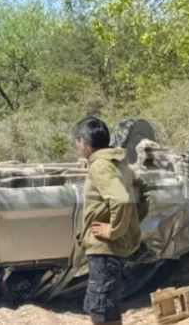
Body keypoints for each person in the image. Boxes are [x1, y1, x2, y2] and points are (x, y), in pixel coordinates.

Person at [74, 116, 141, 325]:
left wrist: (114, 230)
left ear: (84, 143)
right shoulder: (118, 162)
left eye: (77, 141)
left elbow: (122, 199)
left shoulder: (100, 166)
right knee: (103, 308)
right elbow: (140, 193)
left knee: (104, 312)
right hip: (110, 249)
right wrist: (130, 226)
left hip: (105, 248)